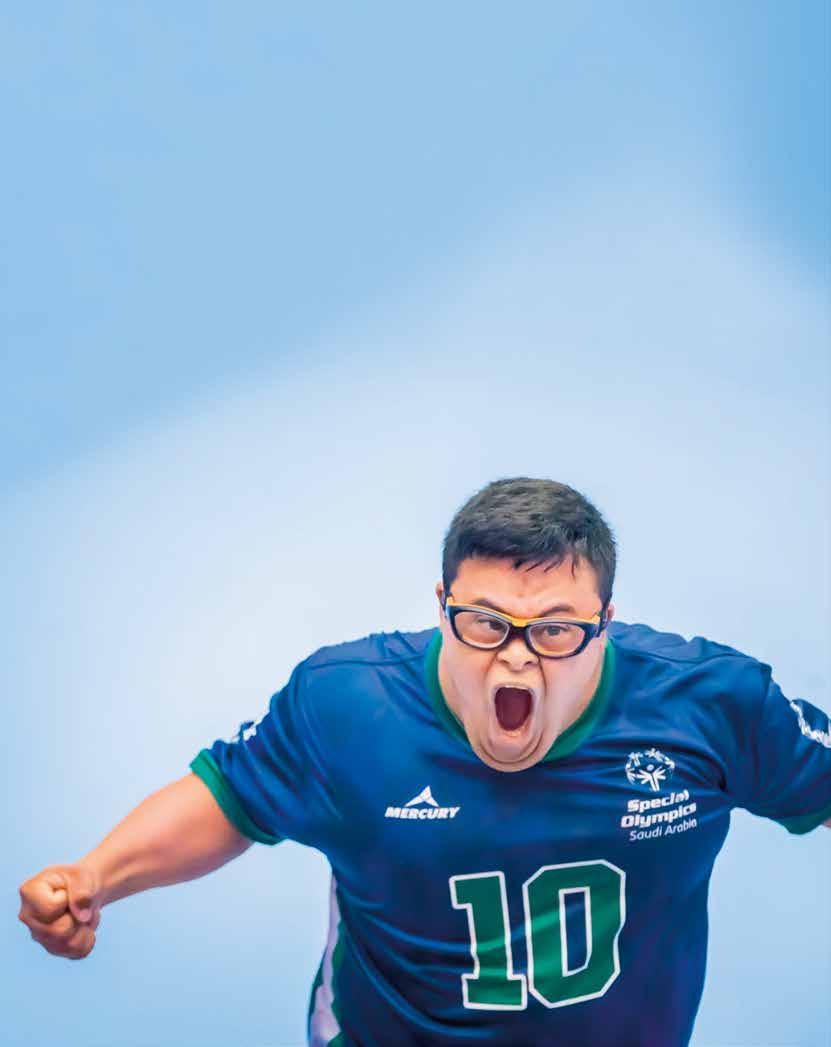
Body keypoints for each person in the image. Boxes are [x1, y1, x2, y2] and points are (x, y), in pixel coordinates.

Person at [18, 477, 831, 1046]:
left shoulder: (708, 704)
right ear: (441, 608)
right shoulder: (349, 706)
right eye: (485, 622)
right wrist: (95, 877)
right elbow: (231, 797)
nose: (516, 657)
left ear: (605, 623)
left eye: (554, 629)